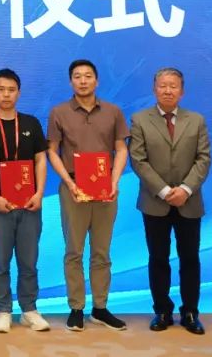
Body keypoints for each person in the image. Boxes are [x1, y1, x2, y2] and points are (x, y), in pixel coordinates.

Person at [47, 59, 129, 332]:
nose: (83, 81)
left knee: (102, 252)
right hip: (74, 188)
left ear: (97, 80)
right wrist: (69, 182)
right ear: (71, 81)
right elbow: (52, 151)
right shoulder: (59, 112)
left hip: (106, 188)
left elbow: (121, 148)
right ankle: (76, 308)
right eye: (77, 76)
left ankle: (100, 308)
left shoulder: (113, 111)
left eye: (88, 76)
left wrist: (114, 181)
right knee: (74, 250)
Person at [130, 68, 212, 335]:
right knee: (158, 258)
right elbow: (138, 160)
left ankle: (190, 312)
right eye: (162, 85)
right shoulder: (140, 119)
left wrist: (185, 189)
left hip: (189, 201)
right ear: (154, 89)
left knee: (190, 258)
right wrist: (165, 191)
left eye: (173, 86)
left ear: (182, 91)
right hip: (155, 202)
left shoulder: (196, 120)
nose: (167, 90)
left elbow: (203, 158)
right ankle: (162, 311)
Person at [0, 69, 51, 334]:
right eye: (1, 89)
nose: (6, 94)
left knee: (29, 261)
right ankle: (3, 310)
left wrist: (39, 194)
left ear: (18, 92)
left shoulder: (31, 123)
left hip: (29, 203)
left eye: (11, 90)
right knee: (0, 261)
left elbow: (40, 160)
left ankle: (29, 310)